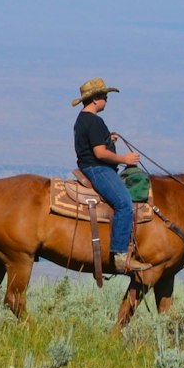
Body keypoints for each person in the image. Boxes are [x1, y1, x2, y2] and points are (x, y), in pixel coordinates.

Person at [72, 77, 145, 275]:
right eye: (104, 96)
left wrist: (108, 138)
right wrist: (125, 159)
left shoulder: (83, 119)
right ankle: (120, 255)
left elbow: (95, 143)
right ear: (95, 99)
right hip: (98, 169)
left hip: (89, 167)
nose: (106, 99)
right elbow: (100, 153)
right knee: (124, 203)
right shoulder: (94, 121)